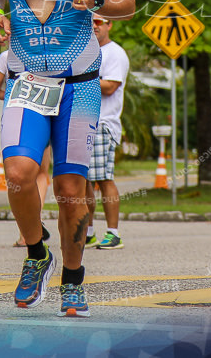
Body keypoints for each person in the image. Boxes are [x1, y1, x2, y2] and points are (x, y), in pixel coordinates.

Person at [0, 0, 135, 317]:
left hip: (80, 85)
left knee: (71, 188)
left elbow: (129, 2)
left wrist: (100, 0)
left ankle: (73, 279)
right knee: (19, 174)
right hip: (26, 80)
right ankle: (36, 254)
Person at [0, 50, 53, 248]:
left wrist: (17, 98)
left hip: (23, 120)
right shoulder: (45, 53)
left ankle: (25, 233)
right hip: (44, 113)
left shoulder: (6, 55)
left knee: (21, 177)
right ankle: (33, 225)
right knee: (40, 174)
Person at [84, 16, 129, 249]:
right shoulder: (84, 50)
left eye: (100, 21)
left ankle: (113, 233)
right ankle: (89, 232)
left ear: (110, 24)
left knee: (103, 178)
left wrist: (80, 79)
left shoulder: (115, 53)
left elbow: (111, 86)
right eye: (90, 21)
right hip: (83, 122)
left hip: (103, 124)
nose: (94, 25)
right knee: (85, 182)